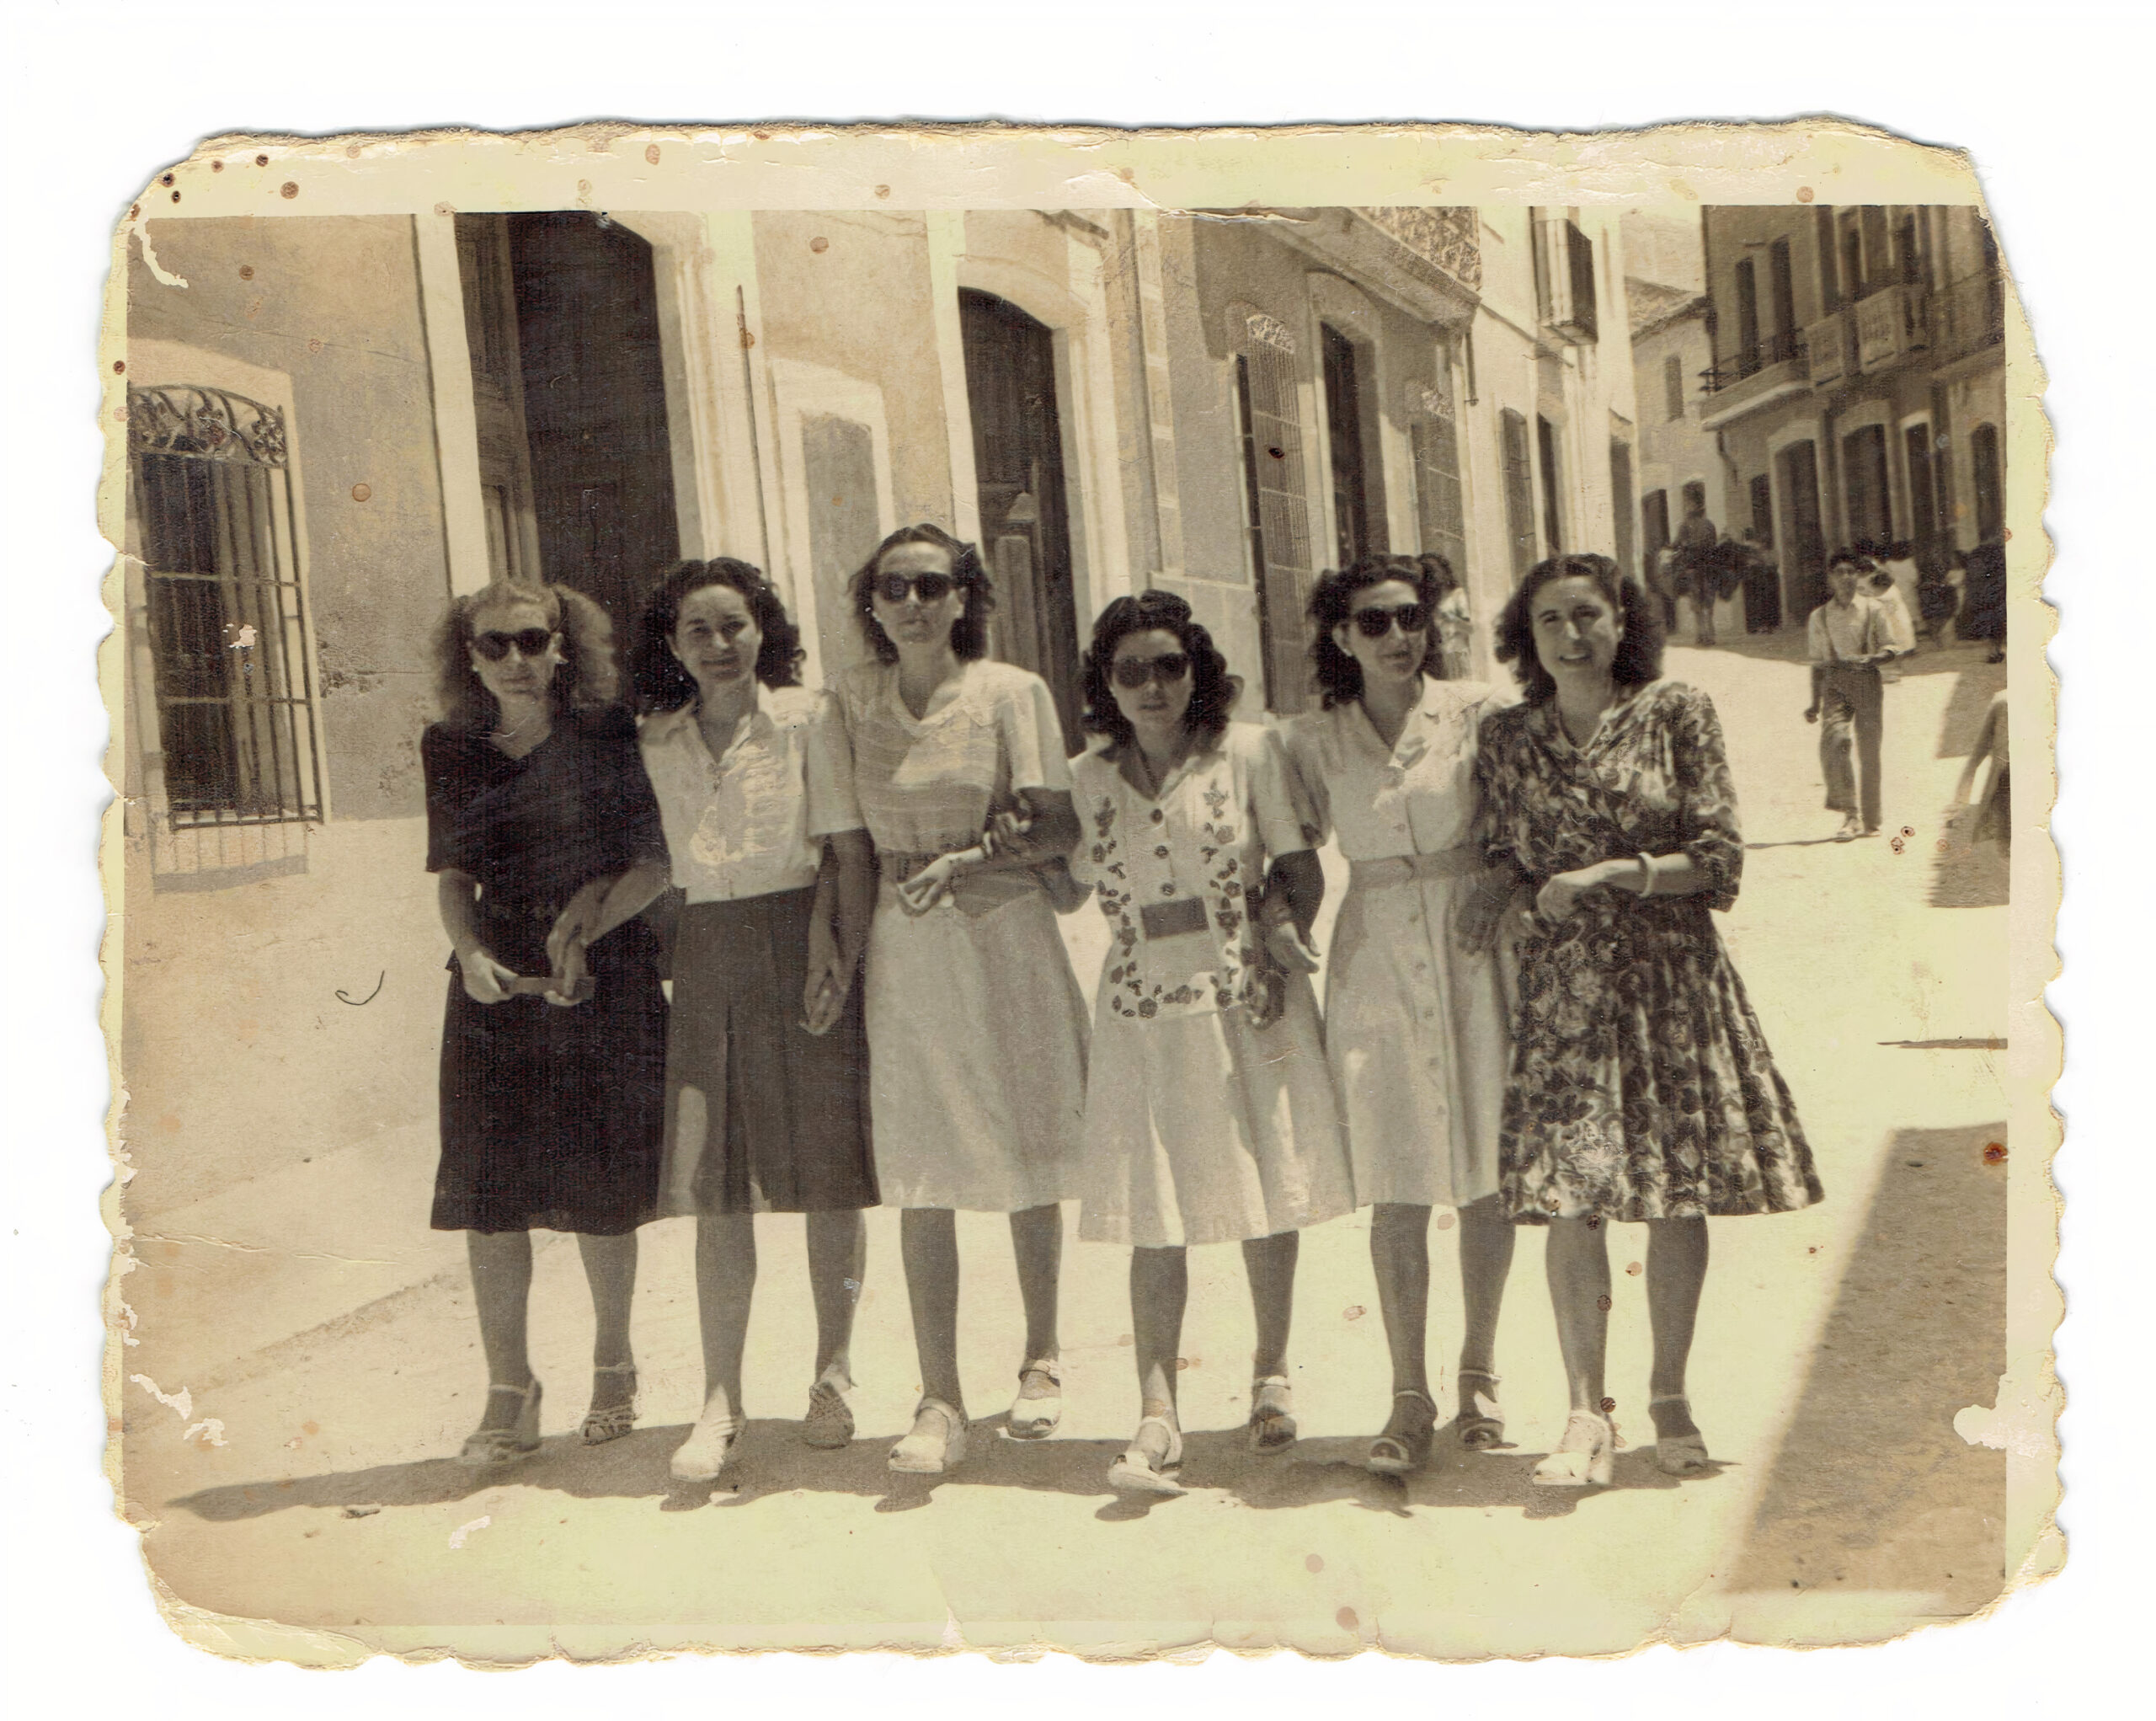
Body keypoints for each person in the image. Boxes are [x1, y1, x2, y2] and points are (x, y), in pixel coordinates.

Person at [1472, 553, 1822, 1488]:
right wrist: (1509, 896)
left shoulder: (1676, 712)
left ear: (1623, 623)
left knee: (1673, 1191)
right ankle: (1586, 1413)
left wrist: (1616, 873)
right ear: (1525, 635)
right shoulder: (1507, 739)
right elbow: (1503, 851)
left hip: (1669, 980)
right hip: (1565, 993)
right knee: (1569, 1196)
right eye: (1549, 620)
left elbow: (1718, 859)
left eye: (1588, 615)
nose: (1571, 636)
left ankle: (1669, 1394)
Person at [1065, 591, 1353, 1495]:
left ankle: (1270, 1376)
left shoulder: (1251, 753)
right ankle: (1157, 1412)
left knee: (1263, 1186)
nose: (1151, 687)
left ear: (1198, 671)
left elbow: (1299, 868)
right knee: (1154, 1207)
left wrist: (1277, 930)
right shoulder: (1086, 781)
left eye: (1168, 666)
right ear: (1105, 685)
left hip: (1243, 995)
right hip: (1141, 1008)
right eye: (1129, 672)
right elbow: (1057, 876)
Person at [830, 524, 1091, 1477]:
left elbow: (1056, 824)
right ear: (872, 601)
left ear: (962, 598)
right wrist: (842, 953)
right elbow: (845, 844)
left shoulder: (1010, 693)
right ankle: (939, 1396)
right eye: (893, 587)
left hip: (1002, 933)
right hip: (905, 948)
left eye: (931, 586)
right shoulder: (853, 702)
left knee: (1023, 1150)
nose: (911, 603)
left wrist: (970, 855)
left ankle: (1042, 1358)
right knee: (920, 1168)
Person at [629, 559, 880, 1483]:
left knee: (827, 1176)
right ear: (673, 647)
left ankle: (831, 1371)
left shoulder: (809, 722)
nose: (720, 646)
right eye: (698, 630)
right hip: (708, 959)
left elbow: (847, 850)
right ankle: (719, 1397)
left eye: (734, 625)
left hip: (798, 942)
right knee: (712, 1184)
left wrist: (839, 955)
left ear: (763, 630)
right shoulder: (656, 742)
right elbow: (655, 867)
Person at [423, 581, 671, 1466]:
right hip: (495, 984)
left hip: (603, 973)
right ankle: (510, 1387)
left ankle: (614, 1364)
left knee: (600, 1187)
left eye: (533, 641)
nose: (517, 661)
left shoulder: (609, 734)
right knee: (490, 1193)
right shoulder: (451, 747)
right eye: (495, 646)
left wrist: (584, 931)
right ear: (471, 657)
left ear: (564, 645)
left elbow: (653, 863)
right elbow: (453, 875)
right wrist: (469, 951)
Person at [1283, 556, 1518, 1476]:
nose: (1395, 637)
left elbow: (1523, 825)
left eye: (1409, 618)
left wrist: (1499, 882)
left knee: (1487, 1172)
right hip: (1373, 957)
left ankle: (1481, 1370)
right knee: (1397, 1182)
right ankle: (1408, 1392)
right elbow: (1285, 854)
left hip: (1474, 951)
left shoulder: (1478, 714)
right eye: (1372, 623)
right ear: (1341, 636)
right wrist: (1274, 924)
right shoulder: (1311, 742)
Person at [1805, 550, 1894, 841]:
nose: (1846, 578)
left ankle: (1871, 817)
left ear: (1859, 576)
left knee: (1870, 751)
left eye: (1851, 572)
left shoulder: (1873, 609)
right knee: (1836, 740)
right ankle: (1851, 815)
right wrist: (1813, 703)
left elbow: (1892, 647)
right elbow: (1818, 664)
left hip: (1867, 680)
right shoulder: (1819, 616)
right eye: (1840, 572)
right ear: (1830, 578)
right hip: (1835, 683)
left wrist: (1877, 658)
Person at [1419, 551, 1476, 682]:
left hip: (1455, 655)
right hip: (1436, 656)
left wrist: (1448, 616)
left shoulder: (1457, 594)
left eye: (1438, 571)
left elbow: (1469, 629)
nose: (1437, 577)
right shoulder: (1427, 599)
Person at [1673, 494, 1721, 646]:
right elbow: (1714, 543)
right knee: (1708, 600)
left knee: (1696, 600)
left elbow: (1677, 544)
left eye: (1688, 506)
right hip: (1709, 566)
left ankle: (1701, 633)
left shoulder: (1684, 525)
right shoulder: (1709, 524)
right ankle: (1710, 633)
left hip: (1692, 567)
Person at [1961, 540, 2007, 665]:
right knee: (1998, 628)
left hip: (1984, 602)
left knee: (1991, 628)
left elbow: (1971, 585)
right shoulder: (1999, 568)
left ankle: (1993, 652)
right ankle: (1995, 651)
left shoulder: (1975, 565)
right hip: (1996, 601)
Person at [1734, 528, 1783, 634]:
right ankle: (1763, 625)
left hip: (1747, 575)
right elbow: (1764, 561)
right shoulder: (1758, 547)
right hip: (1758, 575)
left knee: (1749, 601)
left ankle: (1751, 627)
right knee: (1760, 600)